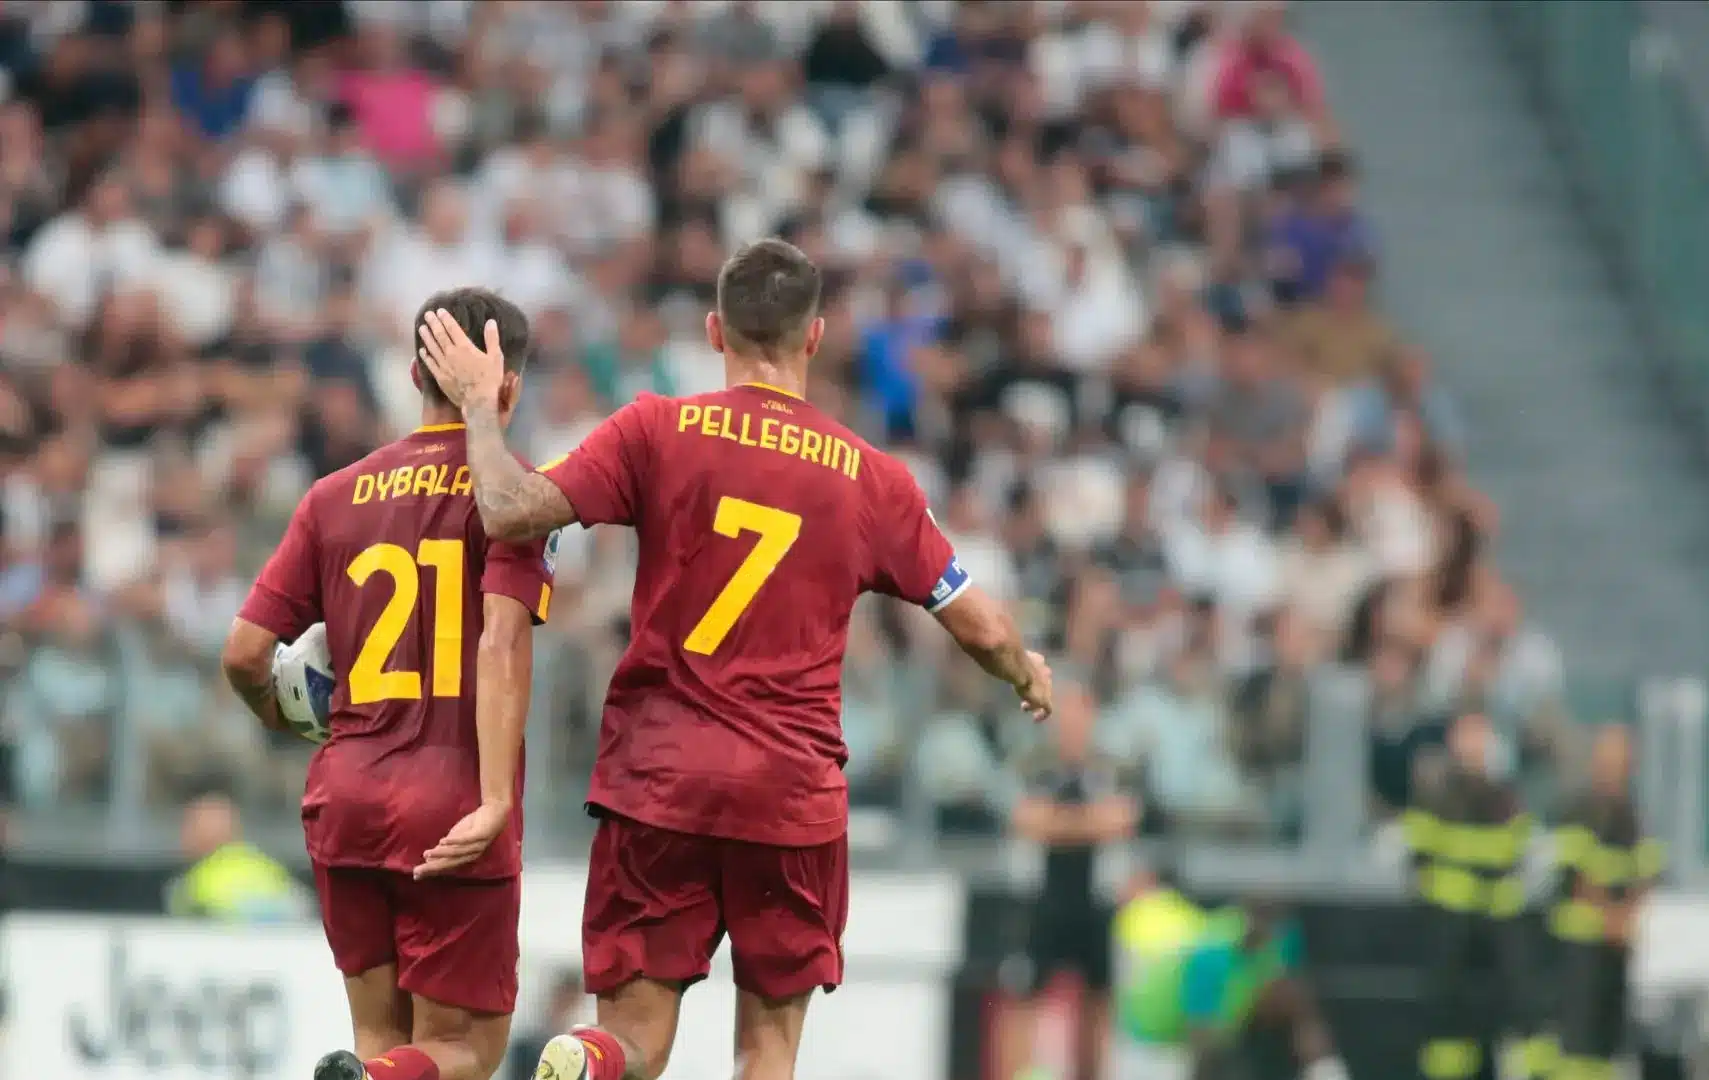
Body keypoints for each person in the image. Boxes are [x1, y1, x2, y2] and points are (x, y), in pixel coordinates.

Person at [416, 237, 1054, 1080]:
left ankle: (590, 1056)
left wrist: (478, 411)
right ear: (815, 337)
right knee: (767, 1049)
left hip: (657, 780)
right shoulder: (871, 478)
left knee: (635, 1042)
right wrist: (1025, 672)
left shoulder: (656, 429)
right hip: (788, 798)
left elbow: (508, 510)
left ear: (716, 331)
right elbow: (981, 629)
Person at [221, 287, 557, 1080]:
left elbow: (242, 652)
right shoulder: (513, 497)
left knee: (386, 1040)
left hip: (346, 793)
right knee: (465, 1052)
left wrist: (277, 714)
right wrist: (496, 798)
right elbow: (502, 641)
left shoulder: (332, 497)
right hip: (454, 799)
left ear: (412, 374)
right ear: (508, 385)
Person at [998, 682, 1139, 1080]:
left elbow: (1122, 820)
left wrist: (1057, 824)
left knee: (1097, 1001)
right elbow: (1024, 819)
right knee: (1024, 997)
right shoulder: (1032, 765)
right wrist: (1088, 824)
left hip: (1095, 901)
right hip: (1043, 899)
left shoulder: (1112, 769)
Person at [1404, 711, 1535, 1080]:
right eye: (1467, 738)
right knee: (1446, 1020)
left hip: (1497, 929)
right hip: (1449, 925)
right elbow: (1420, 856)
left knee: (1510, 1013)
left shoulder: (1505, 799)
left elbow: (1515, 854)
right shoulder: (1436, 797)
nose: (1473, 748)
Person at [1111, 877, 1347, 1080]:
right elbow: (1200, 1035)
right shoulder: (1212, 953)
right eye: (1263, 918)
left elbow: (1293, 992)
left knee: (1293, 996)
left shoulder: (1284, 939)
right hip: (1158, 1038)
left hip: (1221, 1028)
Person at [1544, 724, 1661, 1080]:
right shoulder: (1577, 809)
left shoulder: (1634, 816)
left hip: (1616, 948)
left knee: (1607, 1045)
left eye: (1623, 760)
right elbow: (1578, 876)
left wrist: (1628, 917)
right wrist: (1612, 920)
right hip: (1580, 945)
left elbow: (1646, 872)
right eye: (1609, 759)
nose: (1616, 768)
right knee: (1577, 1044)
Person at [163, 789, 309, 923]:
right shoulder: (265, 865)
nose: (183, 835)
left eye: (189, 825)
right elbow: (303, 908)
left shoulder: (194, 885)